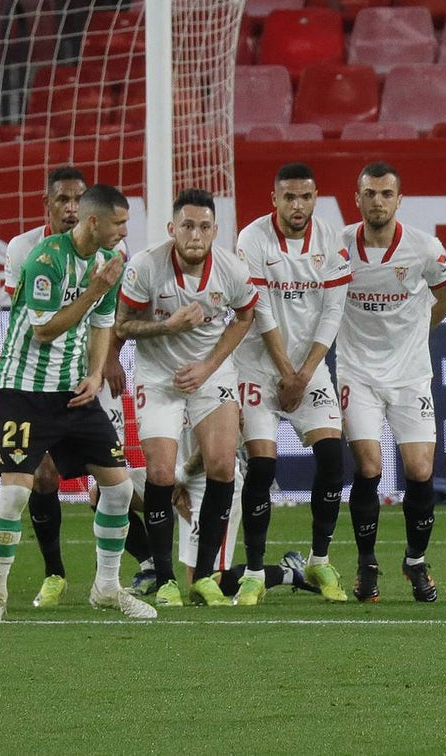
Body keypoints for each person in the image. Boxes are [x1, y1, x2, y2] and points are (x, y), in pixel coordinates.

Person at [0, 184, 156, 622]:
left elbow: (101, 324)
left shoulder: (108, 263)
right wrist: (94, 289)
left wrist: (95, 374)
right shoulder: (46, 260)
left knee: (119, 488)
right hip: (24, 393)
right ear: (94, 222)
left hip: (73, 391)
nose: (124, 231)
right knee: (15, 495)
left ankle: (107, 589)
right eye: (118, 222)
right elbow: (43, 331)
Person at [115, 188, 257, 607]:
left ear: (216, 230)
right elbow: (121, 324)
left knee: (222, 466)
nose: (196, 235)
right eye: (188, 226)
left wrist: (209, 366)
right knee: (160, 476)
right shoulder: (145, 268)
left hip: (209, 376)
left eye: (205, 227)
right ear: (171, 228)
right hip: (159, 376)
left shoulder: (231, 269)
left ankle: (206, 575)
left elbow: (245, 315)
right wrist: (167, 327)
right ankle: (164, 579)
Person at [338, 161, 446, 603]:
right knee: (368, 467)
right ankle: (366, 563)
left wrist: (416, 334)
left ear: (399, 200)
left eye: (386, 194)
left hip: (410, 376)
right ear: (357, 198)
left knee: (420, 470)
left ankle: (414, 560)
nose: (378, 202)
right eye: (370, 193)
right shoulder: (337, 246)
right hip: (357, 373)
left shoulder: (424, 248)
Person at [234, 162, 352, 604]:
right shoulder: (253, 238)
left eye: (305, 197)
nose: (297, 205)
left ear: (315, 197)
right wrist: (286, 372)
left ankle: (319, 561)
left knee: (332, 458)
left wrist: (304, 373)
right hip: (258, 367)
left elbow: (333, 312)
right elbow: (259, 310)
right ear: (274, 199)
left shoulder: (330, 241)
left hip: (309, 368)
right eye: (289, 197)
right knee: (261, 468)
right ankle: (252, 572)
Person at [87, 424, 320, 597]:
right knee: (102, 492)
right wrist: (164, 483)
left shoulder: (210, 373)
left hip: (208, 481)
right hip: (169, 480)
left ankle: (287, 571)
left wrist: (183, 476)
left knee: (206, 583)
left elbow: (229, 433)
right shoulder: (158, 374)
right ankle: (151, 568)